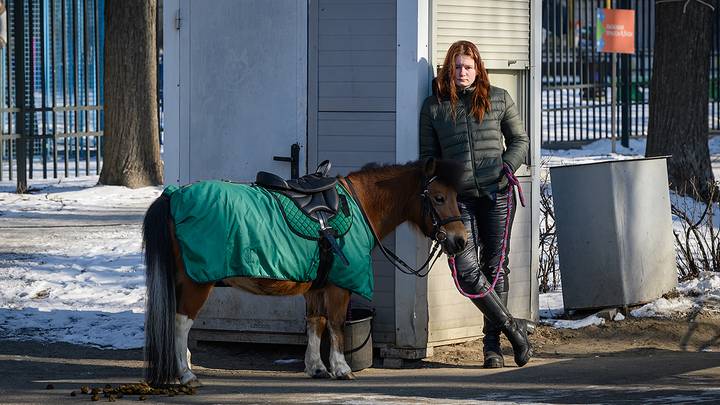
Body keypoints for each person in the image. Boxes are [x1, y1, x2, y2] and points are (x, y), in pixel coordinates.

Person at [419, 40, 531, 368]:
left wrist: (507, 167)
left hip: (497, 195)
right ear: (448, 69)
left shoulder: (498, 99)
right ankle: (514, 331)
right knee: (467, 272)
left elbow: (520, 140)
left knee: (497, 268)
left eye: (468, 67)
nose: (462, 73)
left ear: (478, 68)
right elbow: (428, 158)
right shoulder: (434, 107)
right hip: (459, 202)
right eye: (457, 67)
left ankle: (492, 347)